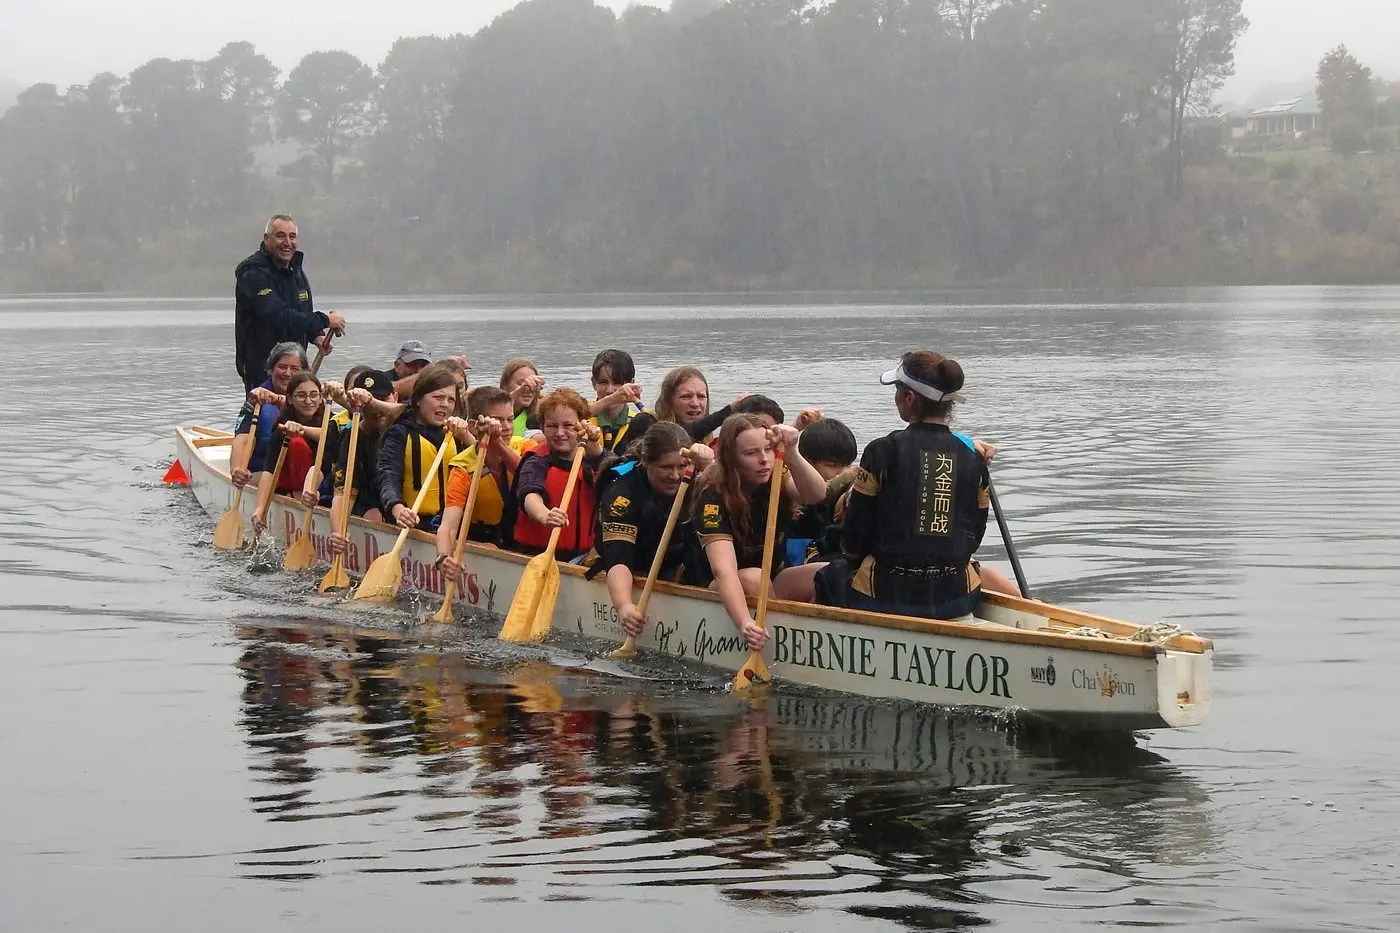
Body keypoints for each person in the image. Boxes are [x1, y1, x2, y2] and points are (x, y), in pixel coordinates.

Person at [805, 350, 1019, 621]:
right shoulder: (973, 458)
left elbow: (854, 540)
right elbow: (973, 536)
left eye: (897, 390)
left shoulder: (882, 451)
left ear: (909, 398)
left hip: (882, 595)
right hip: (955, 598)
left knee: (823, 575)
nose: (895, 398)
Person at [693, 414, 828, 650]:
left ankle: (811, 640)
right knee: (754, 577)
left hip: (769, 580)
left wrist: (792, 452)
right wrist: (745, 623)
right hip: (716, 587)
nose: (764, 460)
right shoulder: (712, 499)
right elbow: (723, 571)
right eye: (751, 453)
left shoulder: (776, 473)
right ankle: (773, 640)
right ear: (731, 459)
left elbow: (816, 495)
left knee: (826, 572)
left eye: (767, 449)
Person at [593, 423, 715, 638]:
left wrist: (712, 464)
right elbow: (618, 558)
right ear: (645, 462)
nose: (676, 476)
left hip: (679, 568)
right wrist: (623, 606)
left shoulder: (698, 479)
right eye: (666, 467)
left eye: (681, 466)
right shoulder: (622, 494)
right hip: (631, 568)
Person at [234, 214, 346, 392]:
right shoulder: (253, 274)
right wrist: (325, 320)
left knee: (295, 415)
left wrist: (316, 335)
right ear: (266, 239)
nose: (287, 242)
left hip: (295, 368)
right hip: (263, 370)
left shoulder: (295, 271)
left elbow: (302, 311)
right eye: (280, 236)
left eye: (292, 236)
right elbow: (277, 316)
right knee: (267, 415)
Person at [435, 388, 534, 580]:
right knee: (490, 547)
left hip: (524, 538)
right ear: (473, 425)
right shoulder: (463, 468)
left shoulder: (525, 447)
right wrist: (443, 558)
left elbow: (527, 475)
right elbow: (448, 526)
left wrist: (497, 443)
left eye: (510, 419)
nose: (506, 427)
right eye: (498, 420)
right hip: (484, 540)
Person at [510, 388, 605, 561]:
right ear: (542, 428)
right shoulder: (536, 461)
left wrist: (597, 450)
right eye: (552, 426)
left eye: (568, 425)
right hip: (536, 556)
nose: (560, 433)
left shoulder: (595, 460)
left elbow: (619, 477)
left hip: (584, 557)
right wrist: (545, 515)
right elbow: (529, 494)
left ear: (582, 425)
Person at [376, 364, 472, 534]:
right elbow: (388, 475)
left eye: (451, 400)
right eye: (438, 397)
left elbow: (484, 467)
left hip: (450, 525)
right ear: (418, 399)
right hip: (413, 522)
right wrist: (398, 509)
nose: (445, 405)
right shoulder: (399, 432)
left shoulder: (458, 433)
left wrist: (468, 438)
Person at [327, 369, 399, 559]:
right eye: (368, 403)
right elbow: (342, 493)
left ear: (395, 397)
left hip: (402, 505)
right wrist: (337, 531)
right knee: (373, 514)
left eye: (382, 399)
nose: (375, 410)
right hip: (366, 502)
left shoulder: (406, 427)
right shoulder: (352, 438)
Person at [251, 372, 326, 532]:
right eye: (301, 395)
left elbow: (331, 436)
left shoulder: (331, 421)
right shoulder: (282, 429)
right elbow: (269, 471)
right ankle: (295, 496)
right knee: (296, 443)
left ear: (321, 398)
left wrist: (303, 429)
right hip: (292, 487)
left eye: (314, 395)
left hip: (324, 486)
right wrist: (260, 507)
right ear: (290, 399)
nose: (308, 401)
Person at [232, 342, 307, 488]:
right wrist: (237, 468)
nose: (287, 374)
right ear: (271, 369)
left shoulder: (311, 397)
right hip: (264, 473)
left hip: (303, 476)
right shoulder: (257, 398)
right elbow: (243, 438)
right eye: (282, 367)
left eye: (295, 369)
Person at [787, 417, 859, 565]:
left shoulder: (850, 494)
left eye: (848, 464)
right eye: (832, 465)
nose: (843, 472)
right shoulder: (791, 490)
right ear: (807, 462)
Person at [654, 366, 747, 443]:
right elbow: (678, 435)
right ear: (668, 401)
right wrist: (730, 410)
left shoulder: (714, 443)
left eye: (701, 396)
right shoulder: (648, 424)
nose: (695, 404)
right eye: (686, 396)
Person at [588, 349, 656, 453]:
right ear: (594, 383)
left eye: (617, 382)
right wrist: (612, 399)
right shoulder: (580, 415)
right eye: (603, 382)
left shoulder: (637, 424)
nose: (610, 390)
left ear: (632, 383)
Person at [501, 358, 545, 437]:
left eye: (533, 383)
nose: (528, 389)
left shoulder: (539, 415)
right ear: (504, 385)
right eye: (521, 383)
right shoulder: (490, 411)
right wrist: (513, 397)